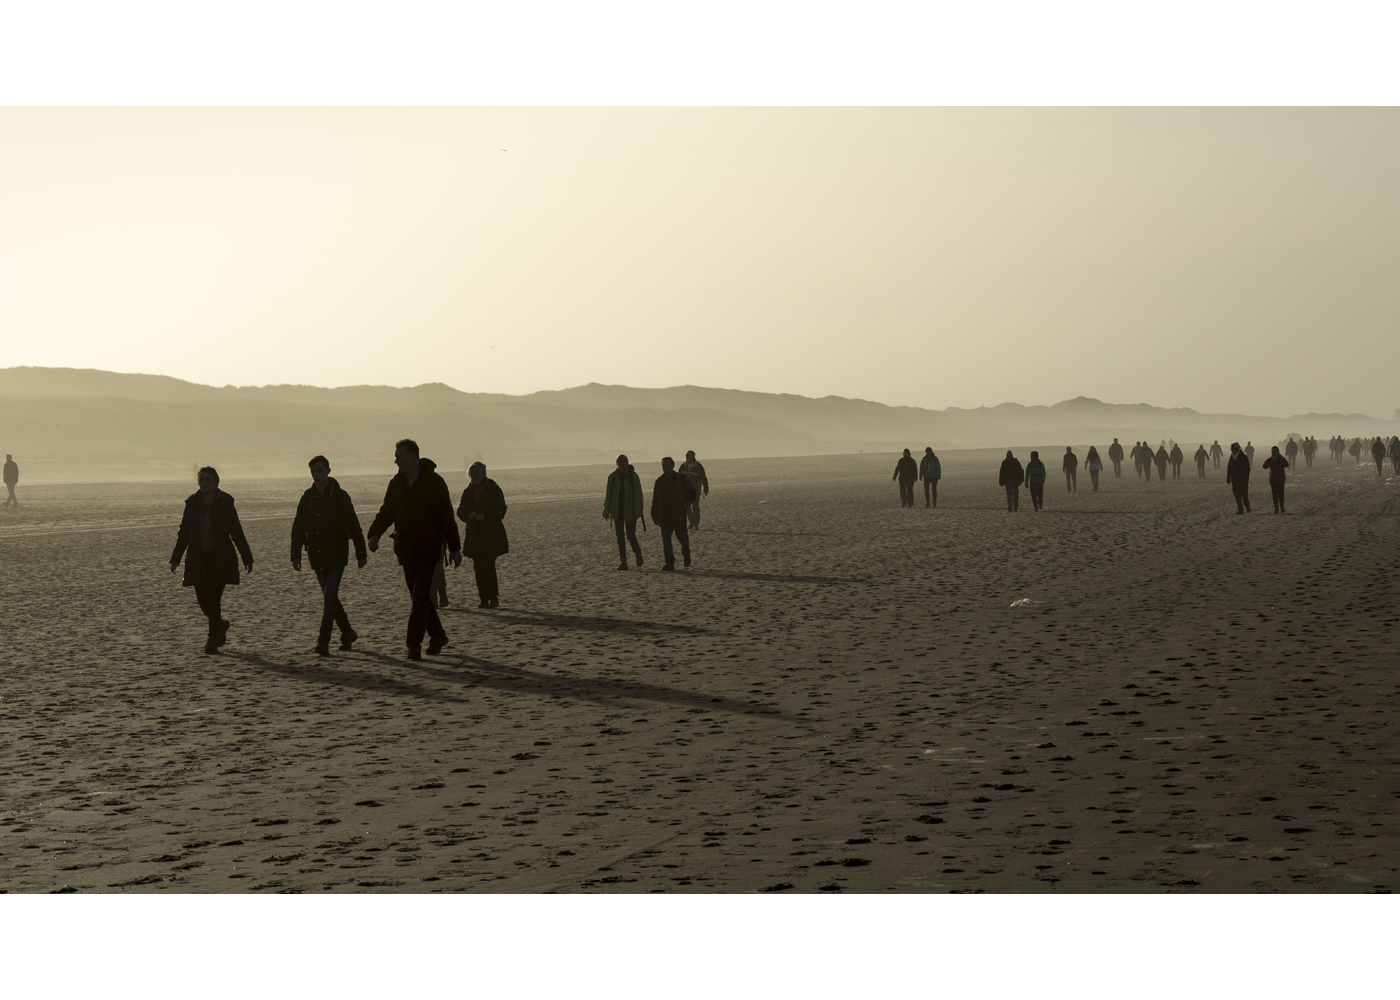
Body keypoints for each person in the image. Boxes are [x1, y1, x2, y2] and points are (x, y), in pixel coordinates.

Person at [366, 438, 462, 661]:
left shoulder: (434, 481)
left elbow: (447, 517)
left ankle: (413, 644)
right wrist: (374, 534)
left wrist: (455, 548)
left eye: (398, 456)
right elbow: (387, 511)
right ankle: (438, 636)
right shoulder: (396, 483)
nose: (395, 460)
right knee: (419, 597)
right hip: (406, 549)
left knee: (420, 597)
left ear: (412, 457)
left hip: (429, 549)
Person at [169, 466, 254, 654]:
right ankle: (220, 625)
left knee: (214, 599)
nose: (204, 483)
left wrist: (247, 557)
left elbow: (236, 531)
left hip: (220, 559)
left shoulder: (224, 503)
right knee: (202, 600)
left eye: (208, 479)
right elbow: (184, 533)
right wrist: (175, 558)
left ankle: (211, 640)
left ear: (216, 482)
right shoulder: (192, 504)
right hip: (198, 560)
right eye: (201, 479)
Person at [290, 455, 367, 656]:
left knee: (329, 599)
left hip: (337, 555)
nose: (316, 475)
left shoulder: (340, 495)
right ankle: (348, 633)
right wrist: (295, 554)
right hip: (316, 555)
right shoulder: (308, 497)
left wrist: (361, 552)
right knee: (330, 597)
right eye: (313, 471)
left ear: (328, 471)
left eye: (320, 470)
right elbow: (298, 527)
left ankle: (323, 640)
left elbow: (353, 524)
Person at [457, 461, 508, 609]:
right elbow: (460, 511)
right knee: (478, 566)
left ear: (483, 474)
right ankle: (483, 598)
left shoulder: (494, 489)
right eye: (471, 474)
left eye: (476, 474)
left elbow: (501, 510)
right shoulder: (467, 492)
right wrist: (469, 516)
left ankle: (493, 596)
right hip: (474, 534)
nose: (473, 477)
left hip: (491, 534)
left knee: (488, 564)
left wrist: (485, 516)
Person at [651, 456, 696, 570]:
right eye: (663, 465)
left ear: (673, 465)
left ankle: (686, 553)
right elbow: (655, 499)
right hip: (664, 515)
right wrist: (654, 514)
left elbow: (692, 493)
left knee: (683, 538)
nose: (665, 467)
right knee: (666, 540)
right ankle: (669, 563)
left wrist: (685, 504)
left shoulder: (680, 478)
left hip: (678, 514)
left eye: (667, 465)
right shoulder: (659, 482)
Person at [603, 454, 645, 570]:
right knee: (619, 537)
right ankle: (623, 561)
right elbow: (609, 495)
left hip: (631, 511)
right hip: (617, 512)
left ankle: (638, 552)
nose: (620, 464)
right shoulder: (612, 477)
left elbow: (638, 495)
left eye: (622, 462)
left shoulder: (633, 477)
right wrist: (606, 510)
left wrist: (638, 511)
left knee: (630, 534)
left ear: (627, 463)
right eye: (618, 462)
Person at [679, 451, 709, 530]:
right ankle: (692, 521)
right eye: (686, 456)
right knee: (686, 507)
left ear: (693, 457)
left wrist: (706, 488)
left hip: (695, 491)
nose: (687, 458)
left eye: (688, 456)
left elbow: (703, 478)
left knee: (695, 507)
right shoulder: (683, 466)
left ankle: (696, 524)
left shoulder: (698, 466)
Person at [1226, 442, 1251, 514]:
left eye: (1232, 449)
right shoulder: (1232, 457)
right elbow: (1229, 468)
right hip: (1234, 478)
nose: (1231, 450)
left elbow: (1247, 469)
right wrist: (1228, 478)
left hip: (1243, 479)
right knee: (1236, 494)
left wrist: (1246, 478)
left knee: (1244, 494)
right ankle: (1240, 509)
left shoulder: (1243, 457)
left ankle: (1247, 506)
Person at [1262, 445, 1289, 513]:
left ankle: (1282, 507)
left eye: (1275, 451)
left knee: (1281, 494)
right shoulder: (1270, 459)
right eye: (1272, 451)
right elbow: (1264, 466)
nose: (1274, 453)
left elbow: (1286, 465)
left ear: (1278, 452)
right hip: (1273, 479)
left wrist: (1281, 459)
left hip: (1280, 479)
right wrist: (1269, 460)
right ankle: (1276, 507)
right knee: (1274, 494)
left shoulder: (1281, 458)